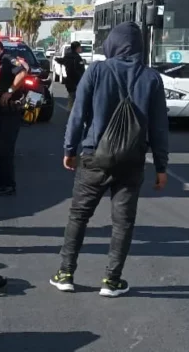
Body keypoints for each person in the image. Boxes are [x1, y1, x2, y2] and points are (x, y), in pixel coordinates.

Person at [51, 22, 169, 297]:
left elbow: (78, 114)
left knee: (79, 215)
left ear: (113, 43)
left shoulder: (97, 71)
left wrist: (69, 149)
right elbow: (159, 127)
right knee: (123, 222)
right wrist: (161, 167)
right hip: (132, 160)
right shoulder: (151, 78)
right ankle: (112, 280)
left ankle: (66, 273)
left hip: (94, 156)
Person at [0, 38, 27, 197]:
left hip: (10, 112)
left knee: (5, 150)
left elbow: (22, 72)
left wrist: (10, 91)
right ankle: (0, 182)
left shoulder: (8, 59)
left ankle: (9, 185)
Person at [55, 41, 87, 109]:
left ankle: (70, 111)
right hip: (76, 81)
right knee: (76, 99)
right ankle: (72, 114)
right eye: (80, 47)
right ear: (77, 48)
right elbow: (81, 70)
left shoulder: (67, 56)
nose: (80, 49)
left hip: (69, 81)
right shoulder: (77, 58)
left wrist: (56, 59)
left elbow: (62, 61)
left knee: (71, 98)